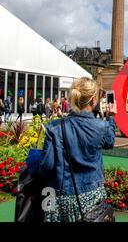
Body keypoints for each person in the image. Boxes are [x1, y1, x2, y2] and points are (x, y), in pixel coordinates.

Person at [37, 77, 116, 222]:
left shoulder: (54, 127)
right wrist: (111, 117)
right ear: (93, 100)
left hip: (61, 196)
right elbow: (110, 142)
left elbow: (46, 166)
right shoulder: (101, 126)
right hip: (92, 196)